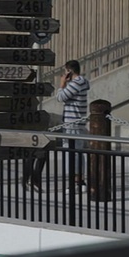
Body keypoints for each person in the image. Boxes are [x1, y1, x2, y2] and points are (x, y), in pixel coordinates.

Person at [56, 60, 90, 194]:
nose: (64, 74)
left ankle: (72, 183)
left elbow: (60, 97)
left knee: (70, 154)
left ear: (69, 71)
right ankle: (80, 181)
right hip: (78, 122)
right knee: (78, 153)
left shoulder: (76, 83)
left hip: (72, 123)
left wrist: (62, 84)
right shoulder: (82, 82)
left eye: (65, 72)